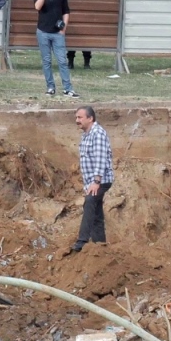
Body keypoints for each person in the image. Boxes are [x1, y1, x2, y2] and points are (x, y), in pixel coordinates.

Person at [71, 106, 114, 252]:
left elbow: (101, 159)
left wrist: (96, 182)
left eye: (80, 117)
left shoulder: (98, 133)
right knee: (96, 212)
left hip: (100, 180)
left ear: (90, 118)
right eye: (76, 117)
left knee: (89, 202)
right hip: (92, 182)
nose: (77, 120)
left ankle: (82, 241)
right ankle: (100, 245)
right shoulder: (86, 135)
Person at [33, 0, 80, 98]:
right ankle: (50, 87)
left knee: (62, 61)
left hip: (57, 32)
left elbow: (66, 10)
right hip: (43, 31)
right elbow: (37, 7)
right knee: (46, 61)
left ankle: (67, 88)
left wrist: (63, 28)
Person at [64, 0, 96, 69]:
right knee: (72, 38)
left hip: (86, 15)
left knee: (86, 39)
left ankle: (87, 63)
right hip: (73, 16)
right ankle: (70, 62)